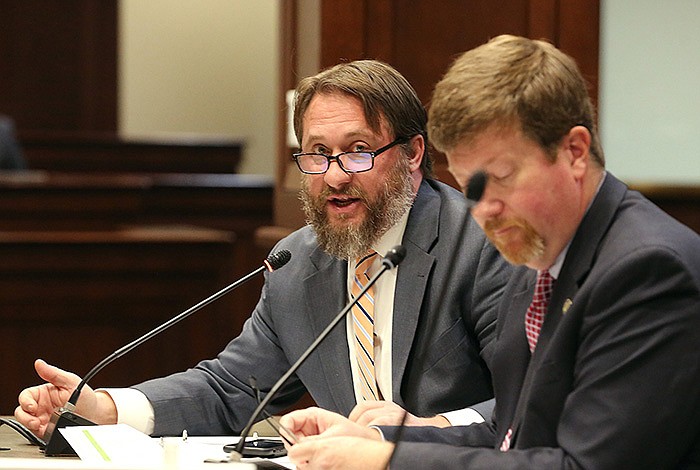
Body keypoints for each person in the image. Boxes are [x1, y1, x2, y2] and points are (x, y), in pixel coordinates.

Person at [15, 60, 511, 439]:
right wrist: (106, 407)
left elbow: (536, 399)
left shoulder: (483, 242)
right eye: (317, 153)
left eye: (358, 150)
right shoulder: (298, 262)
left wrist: (433, 430)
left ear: (413, 154)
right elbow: (231, 388)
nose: (334, 176)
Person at [278, 35, 700, 469]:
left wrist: (388, 462)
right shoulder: (536, 255)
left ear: (574, 151)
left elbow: (584, 466)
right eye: (470, 186)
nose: (484, 210)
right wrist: (376, 438)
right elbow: (511, 432)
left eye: (502, 177)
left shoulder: (647, 270)